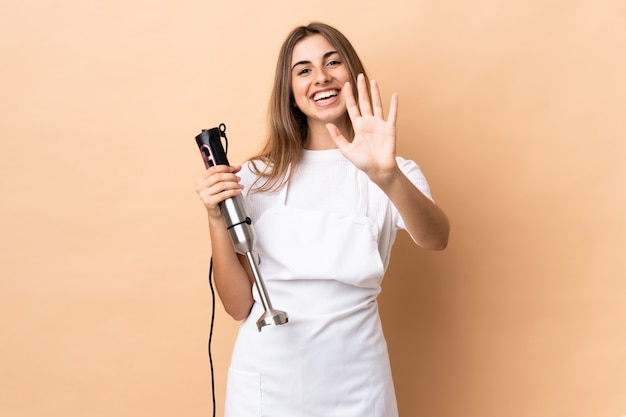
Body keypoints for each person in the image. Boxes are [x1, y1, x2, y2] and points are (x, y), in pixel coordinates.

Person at [196, 22, 449, 417]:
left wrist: (386, 177)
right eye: (304, 70)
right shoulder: (255, 177)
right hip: (266, 382)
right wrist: (216, 219)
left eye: (333, 62)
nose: (321, 77)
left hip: (357, 379)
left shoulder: (393, 169)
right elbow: (237, 306)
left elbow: (437, 237)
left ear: (351, 72)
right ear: (290, 92)